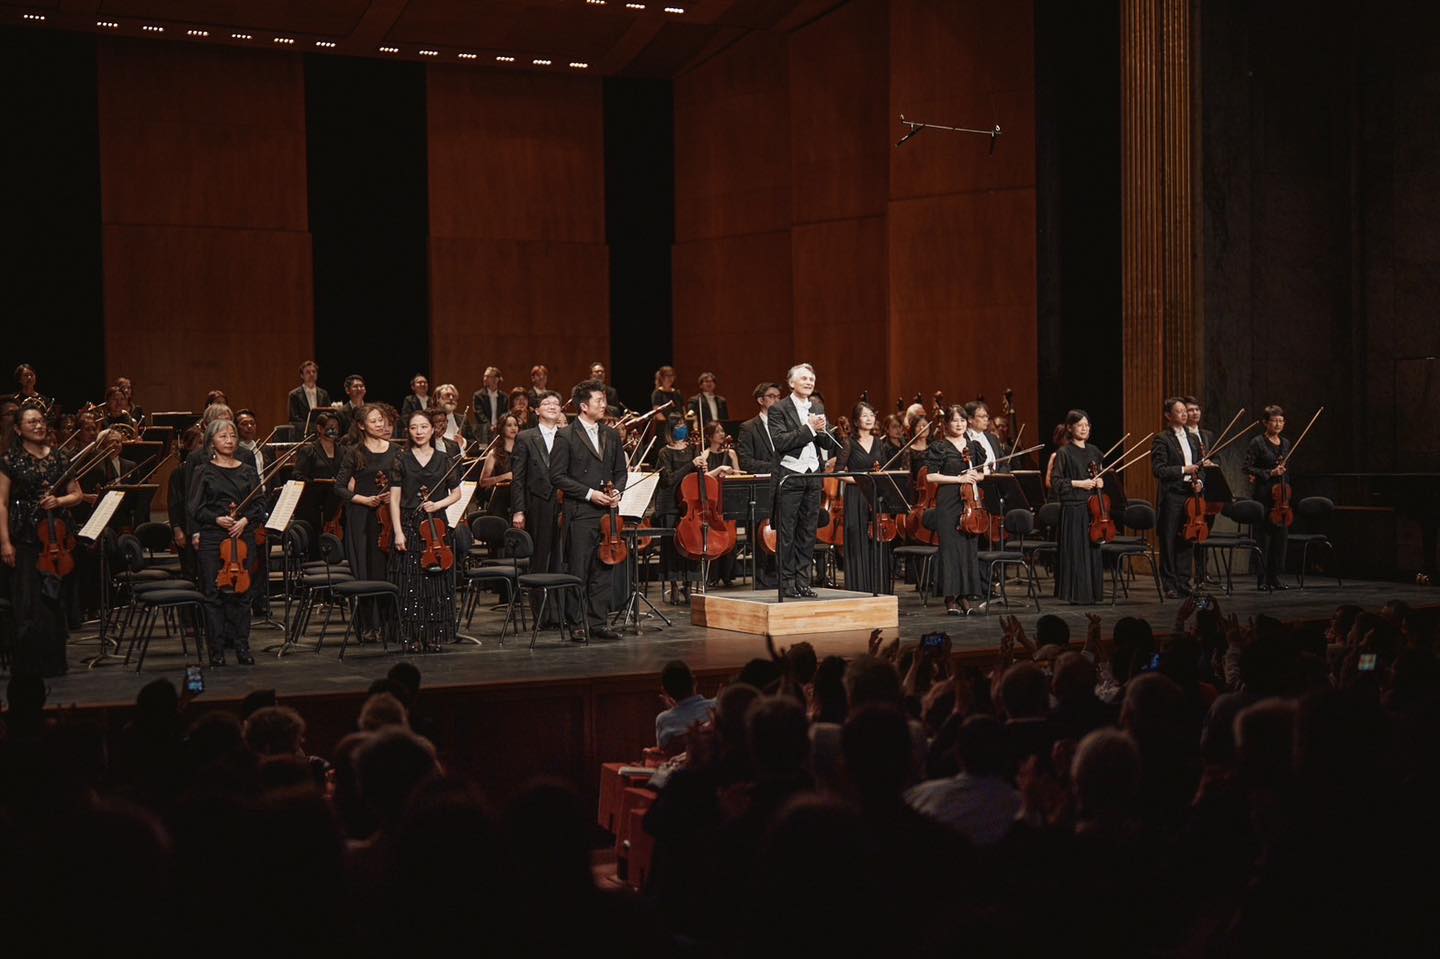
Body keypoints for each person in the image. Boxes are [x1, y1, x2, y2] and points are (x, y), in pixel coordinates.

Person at [0, 404, 83, 676]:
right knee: (27, 601)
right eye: (31, 422)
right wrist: (5, 543)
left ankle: (54, 663)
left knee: (53, 601)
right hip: (24, 537)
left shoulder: (59, 458)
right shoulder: (10, 460)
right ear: (17, 429)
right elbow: (1, 503)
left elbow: (77, 495)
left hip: (56, 539)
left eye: (41, 421)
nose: (38, 425)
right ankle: (27, 665)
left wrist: (58, 500)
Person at [549, 380, 627, 641]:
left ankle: (598, 622)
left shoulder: (611, 434)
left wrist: (616, 491)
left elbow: (620, 471)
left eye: (604, 400)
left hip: (607, 514)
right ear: (583, 406)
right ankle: (577, 623)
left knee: (604, 568)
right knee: (579, 569)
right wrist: (590, 493)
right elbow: (557, 476)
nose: (604, 405)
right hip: (581, 511)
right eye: (598, 401)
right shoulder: (566, 435)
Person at [188, 418, 266, 666]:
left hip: (243, 538)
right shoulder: (203, 471)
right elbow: (194, 508)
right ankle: (216, 650)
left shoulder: (248, 471)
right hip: (214, 537)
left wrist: (244, 520)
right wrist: (216, 519)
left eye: (232, 436)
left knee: (242, 593)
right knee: (213, 594)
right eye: (223, 436)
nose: (230, 440)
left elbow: (260, 504)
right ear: (211, 442)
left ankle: (242, 646)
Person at [388, 410, 462, 651]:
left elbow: (457, 493)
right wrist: (398, 532)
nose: (419, 432)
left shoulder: (444, 458)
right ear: (408, 431)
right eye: (413, 428)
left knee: (436, 583)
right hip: (410, 524)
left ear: (432, 429)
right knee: (411, 583)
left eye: (423, 427)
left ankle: (434, 636)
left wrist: (437, 504)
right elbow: (394, 499)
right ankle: (411, 637)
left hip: (436, 527)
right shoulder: (401, 459)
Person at [766, 363, 840, 598]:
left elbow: (827, 444)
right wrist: (808, 428)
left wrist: (825, 431)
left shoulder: (816, 406)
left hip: (813, 475)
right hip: (790, 475)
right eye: (804, 379)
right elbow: (781, 442)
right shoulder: (779, 409)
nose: (809, 382)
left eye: (812, 379)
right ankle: (786, 582)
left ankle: (802, 581)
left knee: (808, 532)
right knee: (788, 532)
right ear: (791, 383)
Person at [335, 404, 400, 641]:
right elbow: (339, 487)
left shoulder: (396, 451)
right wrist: (365, 499)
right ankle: (367, 625)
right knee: (364, 570)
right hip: (362, 517)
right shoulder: (354, 452)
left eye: (381, 420)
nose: (380, 424)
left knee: (385, 569)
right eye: (374, 421)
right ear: (362, 425)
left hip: (388, 518)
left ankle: (388, 624)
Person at [510, 391, 566, 623]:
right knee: (541, 559)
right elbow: (518, 478)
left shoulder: (567, 436)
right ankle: (542, 615)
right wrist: (518, 510)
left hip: (564, 503)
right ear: (536, 410)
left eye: (556, 403)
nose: (553, 406)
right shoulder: (525, 437)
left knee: (561, 560)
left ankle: (561, 613)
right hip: (538, 504)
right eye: (547, 403)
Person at [925, 405, 986, 615]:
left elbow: (982, 474)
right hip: (949, 501)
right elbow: (931, 476)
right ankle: (950, 598)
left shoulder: (974, 446)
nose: (959, 424)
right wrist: (958, 478)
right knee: (950, 550)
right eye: (954, 420)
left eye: (962, 420)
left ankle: (965, 596)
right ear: (946, 424)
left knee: (968, 550)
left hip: (969, 503)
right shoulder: (939, 447)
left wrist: (974, 476)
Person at [1051, 409, 1106, 604]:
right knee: (1076, 551)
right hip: (1074, 507)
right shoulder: (1064, 452)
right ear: (1070, 427)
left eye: (1087, 425)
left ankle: (1092, 593)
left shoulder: (1094, 451)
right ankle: (1076, 594)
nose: (1084, 428)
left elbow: (1102, 475)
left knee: (1092, 550)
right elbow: (1057, 482)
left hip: (1093, 508)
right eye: (1080, 425)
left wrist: (1100, 482)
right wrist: (1079, 483)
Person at [1152, 396, 1203, 597]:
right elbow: (1159, 470)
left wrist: (1200, 481)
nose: (1185, 414)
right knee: (1169, 539)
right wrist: (1184, 469)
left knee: (1187, 539)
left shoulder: (1193, 438)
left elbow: (1200, 466)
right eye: (1179, 411)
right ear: (1168, 415)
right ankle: (1170, 585)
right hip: (1172, 495)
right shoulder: (1162, 439)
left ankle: (1184, 583)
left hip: (1191, 495)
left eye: (1185, 411)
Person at [841, 401, 890, 594]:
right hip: (856, 495)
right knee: (859, 541)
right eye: (865, 415)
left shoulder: (880, 443)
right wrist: (860, 479)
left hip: (876, 495)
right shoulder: (848, 443)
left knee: (877, 541)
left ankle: (879, 588)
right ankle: (859, 589)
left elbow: (884, 469)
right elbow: (838, 473)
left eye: (872, 415)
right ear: (855, 420)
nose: (870, 419)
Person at [1243, 404, 1292, 591]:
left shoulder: (1286, 443)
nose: (1278, 424)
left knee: (1280, 538)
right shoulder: (1257, 442)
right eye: (1274, 421)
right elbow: (1247, 467)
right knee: (1263, 538)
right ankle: (1262, 579)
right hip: (1264, 494)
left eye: (1281, 421)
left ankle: (1275, 576)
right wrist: (1269, 473)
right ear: (1265, 422)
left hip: (1282, 496)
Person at [654, 420, 698, 604]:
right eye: (678, 426)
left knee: (690, 544)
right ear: (670, 430)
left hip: (690, 504)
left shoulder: (693, 449)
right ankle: (673, 585)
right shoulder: (664, 452)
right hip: (670, 503)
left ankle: (688, 585)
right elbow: (669, 480)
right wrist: (690, 465)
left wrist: (702, 466)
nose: (682, 429)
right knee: (671, 546)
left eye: (683, 425)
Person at [697, 420, 739, 587]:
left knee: (729, 536)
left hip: (727, 498)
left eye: (722, 431)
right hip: (712, 501)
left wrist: (731, 469)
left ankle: (728, 574)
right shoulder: (705, 454)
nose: (722, 434)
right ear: (709, 436)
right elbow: (705, 478)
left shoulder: (731, 453)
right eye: (717, 432)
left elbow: (738, 475)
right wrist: (720, 469)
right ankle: (712, 575)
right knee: (713, 535)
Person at [296, 411, 343, 553]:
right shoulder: (308, 450)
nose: (333, 430)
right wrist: (316, 482)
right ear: (320, 429)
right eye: (329, 426)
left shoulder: (343, 451)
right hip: (313, 504)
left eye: (336, 427)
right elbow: (297, 475)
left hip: (336, 504)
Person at [655, 660, 715, 753]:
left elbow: (662, 752)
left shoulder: (664, 720)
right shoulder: (716, 706)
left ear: (664, 691)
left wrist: (673, 712)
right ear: (695, 681)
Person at [480, 413, 520, 517]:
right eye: (509, 425)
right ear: (502, 428)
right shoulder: (494, 453)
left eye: (515, 425)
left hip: (519, 499)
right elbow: (483, 482)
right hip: (500, 502)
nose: (513, 428)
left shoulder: (523, 451)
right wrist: (505, 476)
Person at [287, 360, 329, 432]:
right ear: (302, 375)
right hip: (302, 434)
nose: (311, 374)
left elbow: (328, 413)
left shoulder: (324, 394)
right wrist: (313, 427)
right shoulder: (294, 395)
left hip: (321, 434)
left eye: (314, 371)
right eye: (308, 372)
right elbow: (293, 419)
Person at [472, 367, 507, 442]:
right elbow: (479, 413)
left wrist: (498, 426)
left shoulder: (504, 397)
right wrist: (490, 426)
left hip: (499, 431)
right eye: (484, 376)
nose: (484, 379)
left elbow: (505, 413)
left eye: (488, 376)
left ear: (496, 379)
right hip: (483, 431)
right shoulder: (478, 395)